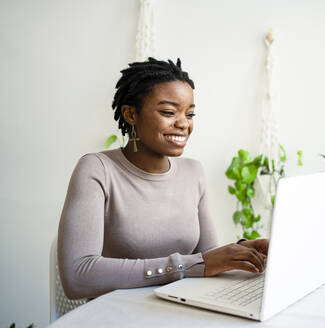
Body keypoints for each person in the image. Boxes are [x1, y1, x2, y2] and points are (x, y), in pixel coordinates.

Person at [58, 57, 269, 300]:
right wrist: (186, 266)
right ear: (130, 114)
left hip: (179, 308)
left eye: (190, 114)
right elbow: (78, 276)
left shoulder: (194, 172)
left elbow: (206, 257)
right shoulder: (97, 170)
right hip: (115, 314)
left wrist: (239, 252)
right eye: (169, 112)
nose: (183, 124)